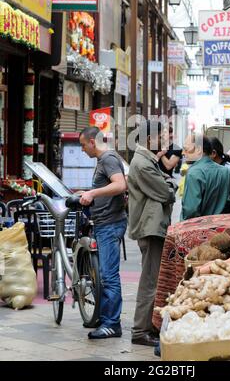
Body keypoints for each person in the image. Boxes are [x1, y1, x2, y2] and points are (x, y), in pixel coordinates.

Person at [128, 120, 177, 347]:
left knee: (152, 278)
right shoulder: (143, 163)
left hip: (152, 225)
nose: (164, 141)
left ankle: (147, 327)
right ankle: (140, 331)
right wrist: (170, 185)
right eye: (161, 137)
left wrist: (167, 182)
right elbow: (166, 193)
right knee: (150, 281)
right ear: (150, 139)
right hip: (150, 227)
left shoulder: (147, 160)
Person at [78, 126, 127, 340]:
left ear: (92, 142)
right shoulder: (105, 160)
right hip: (104, 223)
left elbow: (120, 185)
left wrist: (93, 192)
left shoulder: (107, 158)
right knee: (103, 275)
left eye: (82, 145)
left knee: (108, 275)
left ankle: (112, 324)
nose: (82, 150)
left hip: (109, 224)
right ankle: (105, 317)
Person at [181, 133, 230, 220]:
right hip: (220, 226)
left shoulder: (194, 173)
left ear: (199, 150)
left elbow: (190, 211)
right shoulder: (225, 171)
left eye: (186, 149)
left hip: (199, 229)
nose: (183, 152)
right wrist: (226, 206)